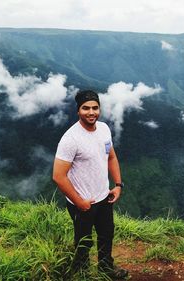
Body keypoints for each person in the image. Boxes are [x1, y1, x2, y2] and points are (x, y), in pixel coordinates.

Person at [52, 90, 128, 279]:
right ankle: (80, 274)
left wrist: (118, 184)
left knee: (106, 235)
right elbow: (58, 176)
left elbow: (111, 157)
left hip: (104, 197)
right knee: (83, 242)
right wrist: (79, 202)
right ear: (78, 111)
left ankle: (106, 269)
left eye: (95, 108)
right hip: (82, 203)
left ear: (99, 109)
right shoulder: (71, 139)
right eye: (86, 108)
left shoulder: (103, 129)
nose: (91, 112)